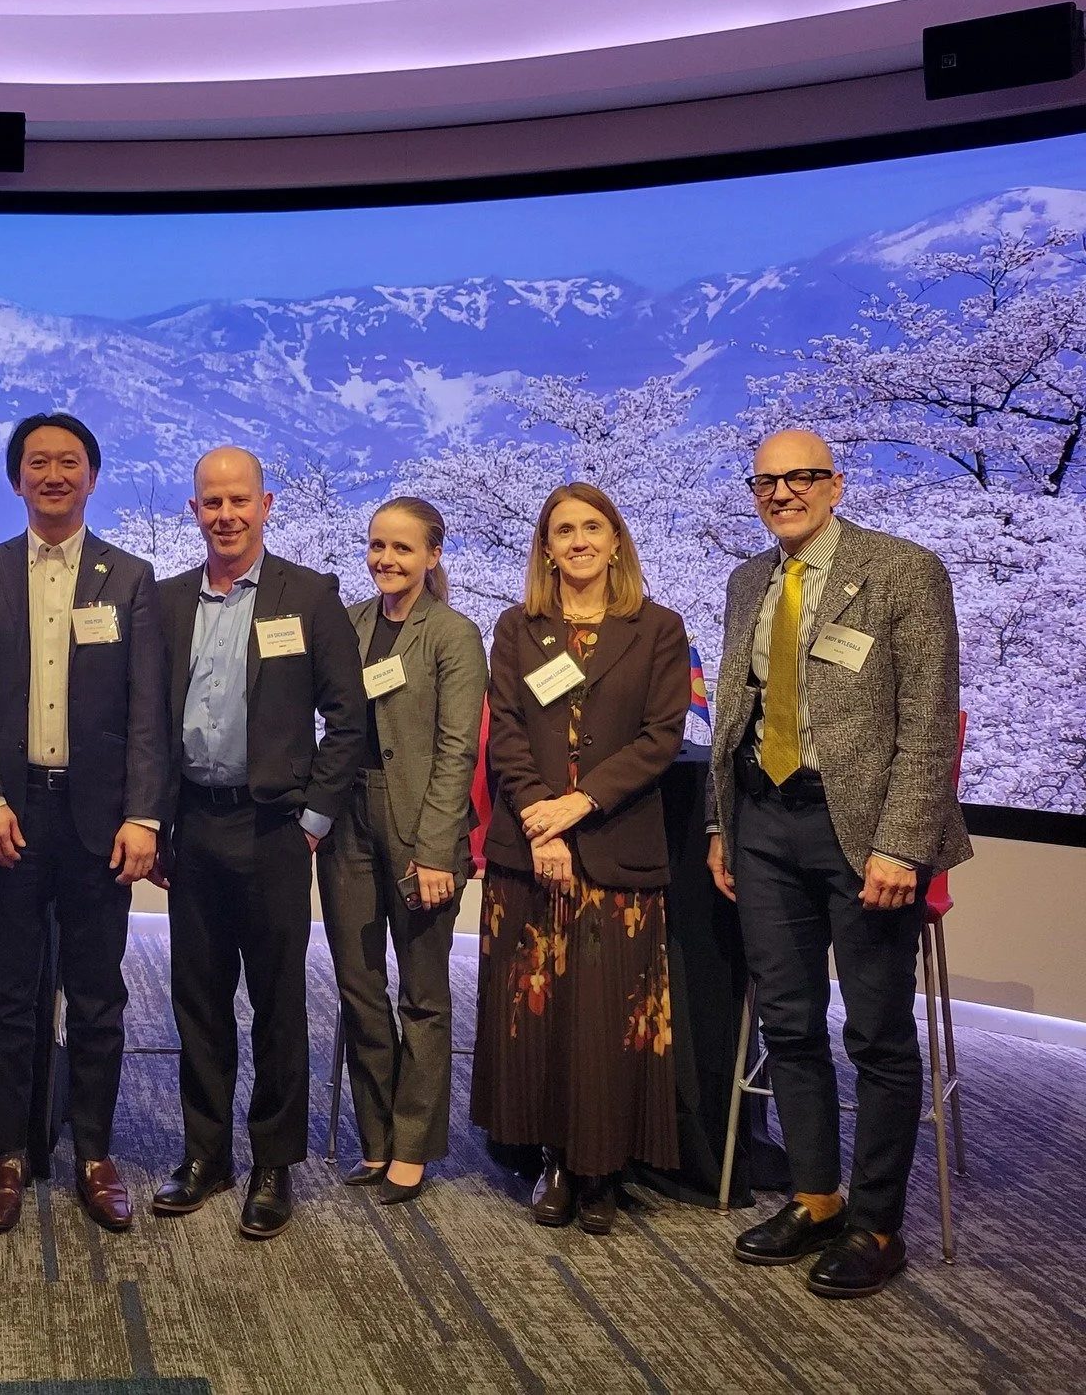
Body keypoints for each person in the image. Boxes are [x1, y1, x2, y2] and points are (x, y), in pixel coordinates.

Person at [707, 430, 972, 1300]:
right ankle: (817, 1196)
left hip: (862, 835)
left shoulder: (903, 571)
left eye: (801, 478)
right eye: (767, 482)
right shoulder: (751, 579)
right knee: (787, 1020)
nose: (782, 493)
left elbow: (930, 721)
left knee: (876, 1034)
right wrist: (721, 825)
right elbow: (733, 718)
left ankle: (878, 1223)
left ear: (834, 483)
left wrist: (902, 843)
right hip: (764, 823)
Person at [0, 413, 169, 1236]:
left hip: (99, 819)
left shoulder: (130, 577)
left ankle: (95, 1154)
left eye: (68, 462)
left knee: (98, 993)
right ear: (16, 480)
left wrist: (144, 813)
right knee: (7, 994)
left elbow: (148, 707)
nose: (52, 474)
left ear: (91, 477)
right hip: (9, 814)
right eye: (37, 463)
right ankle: (7, 1153)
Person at [151, 447, 365, 1240]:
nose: (226, 515)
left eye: (239, 500)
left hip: (276, 828)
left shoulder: (307, 597)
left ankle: (274, 1163)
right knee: (197, 999)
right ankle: (206, 1155)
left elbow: (348, 719)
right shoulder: (169, 602)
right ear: (194, 510)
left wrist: (315, 819)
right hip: (194, 825)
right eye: (211, 502)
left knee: (277, 1003)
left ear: (267, 504)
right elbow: (150, 721)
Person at [473, 482, 689, 1236]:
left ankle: (606, 1167)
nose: (578, 541)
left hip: (616, 848)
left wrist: (579, 805)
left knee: (608, 1019)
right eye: (562, 530)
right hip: (531, 853)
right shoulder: (517, 627)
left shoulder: (657, 629)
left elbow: (661, 737)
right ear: (546, 546)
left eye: (592, 527)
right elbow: (504, 733)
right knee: (539, 1019)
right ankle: (555, 1163)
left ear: (617, 539)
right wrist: (544, 823)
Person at [321, 497, 486, 1204]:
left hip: (422, 824)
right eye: (377, 546)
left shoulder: (453, 633)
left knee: (422, 994)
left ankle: (413, 1147)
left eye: (402, 549)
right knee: (358, 987)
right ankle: (376, 1138)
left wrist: (437, 849)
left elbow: (457, 749)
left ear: (433, 556)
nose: (386, 560)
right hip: (346, 820)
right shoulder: (349, 623)